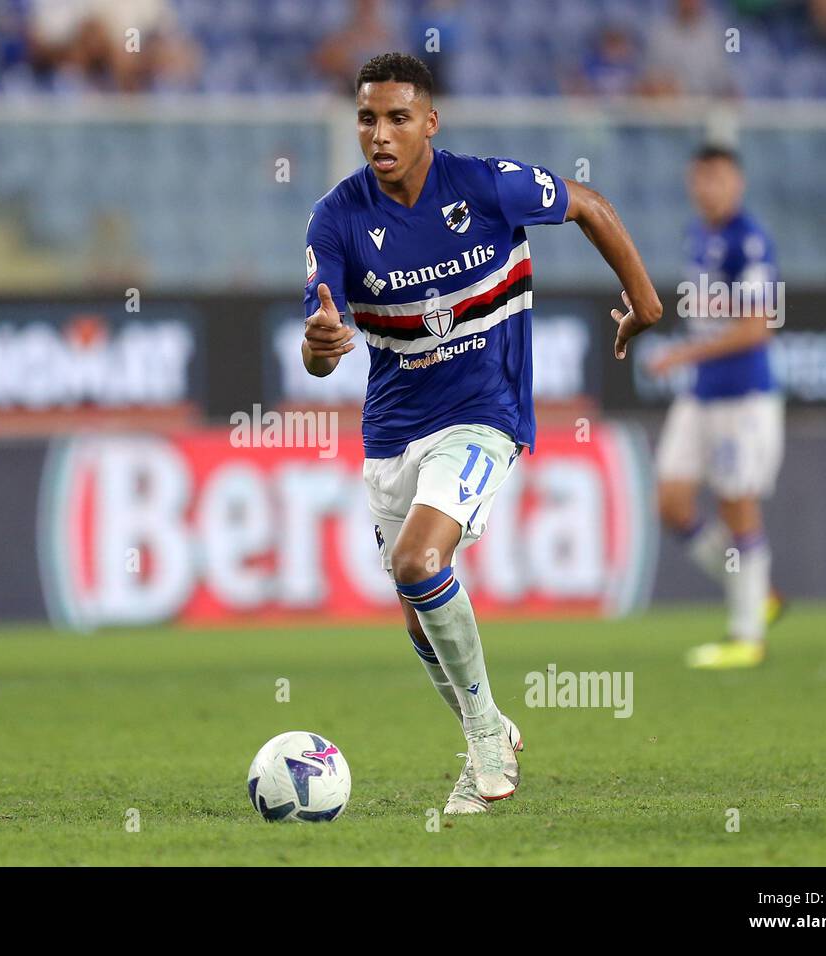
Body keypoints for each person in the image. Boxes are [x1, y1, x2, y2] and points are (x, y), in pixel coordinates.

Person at [301, 53, 662, 813]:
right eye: (367, 118)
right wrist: (321, 344)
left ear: (430, 122)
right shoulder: (336, 217)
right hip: (392, 432)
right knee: (413, 600)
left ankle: (486, 748)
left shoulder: (487, 186)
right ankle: (488, 721)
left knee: (418, 558)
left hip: (485, 412)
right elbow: (321, 343)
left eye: (398, 117)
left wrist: (645, 302)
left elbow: (590, 204)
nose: (380, 133)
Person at [648, 145, 785, 669]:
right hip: (700, 392)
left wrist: (683, 352)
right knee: (671, 501)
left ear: (739, 183)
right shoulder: (698, 234)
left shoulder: (749, 241)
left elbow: (758, 326)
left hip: (743, 395)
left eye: (719, 179)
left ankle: (747, 634)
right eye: (701, 179)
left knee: (736, 503)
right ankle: (756, 593)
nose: (709, 188)